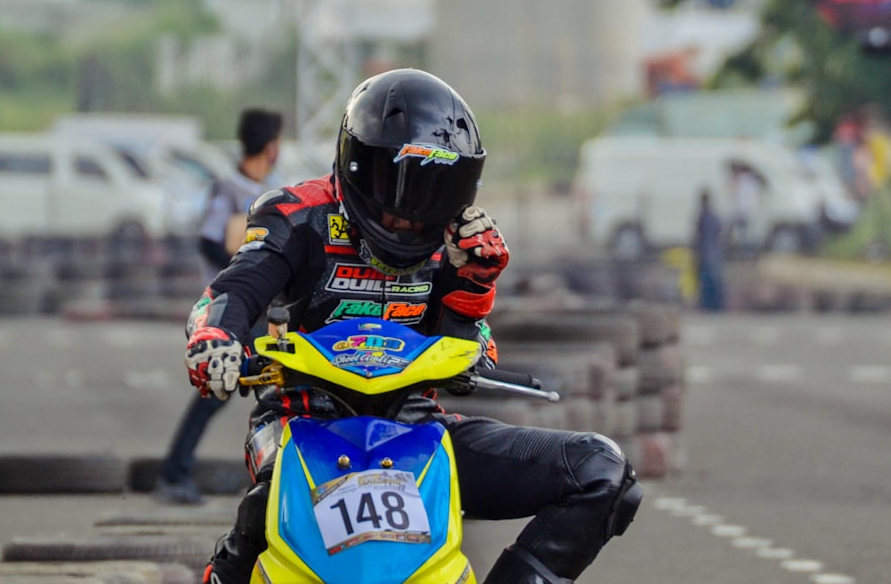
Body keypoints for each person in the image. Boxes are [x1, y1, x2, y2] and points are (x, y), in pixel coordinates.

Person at [182, 69, 642, 583]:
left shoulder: (461, 241)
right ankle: (229, 569)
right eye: (398, 188)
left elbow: (475, 353)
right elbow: (232, 290)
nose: (411, 211)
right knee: (268, 504)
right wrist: (214, 338)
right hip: (300, 425)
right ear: (356, 163)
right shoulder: (296, 215)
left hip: (419, 430)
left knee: (601, 472)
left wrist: (475, 284)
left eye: (433, 193)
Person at [152, 108, 283, 505]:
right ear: (270, 146)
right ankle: (173, 474)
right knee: (218, 391)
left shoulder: (273, 191)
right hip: (231, 310)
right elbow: (208, 240)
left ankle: (282, 480)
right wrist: (244, 263)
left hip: (265, 310)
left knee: (285, 389)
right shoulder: (227, 190)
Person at [693, 188, 727, 312]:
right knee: (715, 282)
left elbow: (697, 237)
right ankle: (717, 306)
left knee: (707, 282)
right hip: (714, 252)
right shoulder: (713, 215)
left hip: (706, 253)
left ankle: (710, 306)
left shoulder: (702, 216)